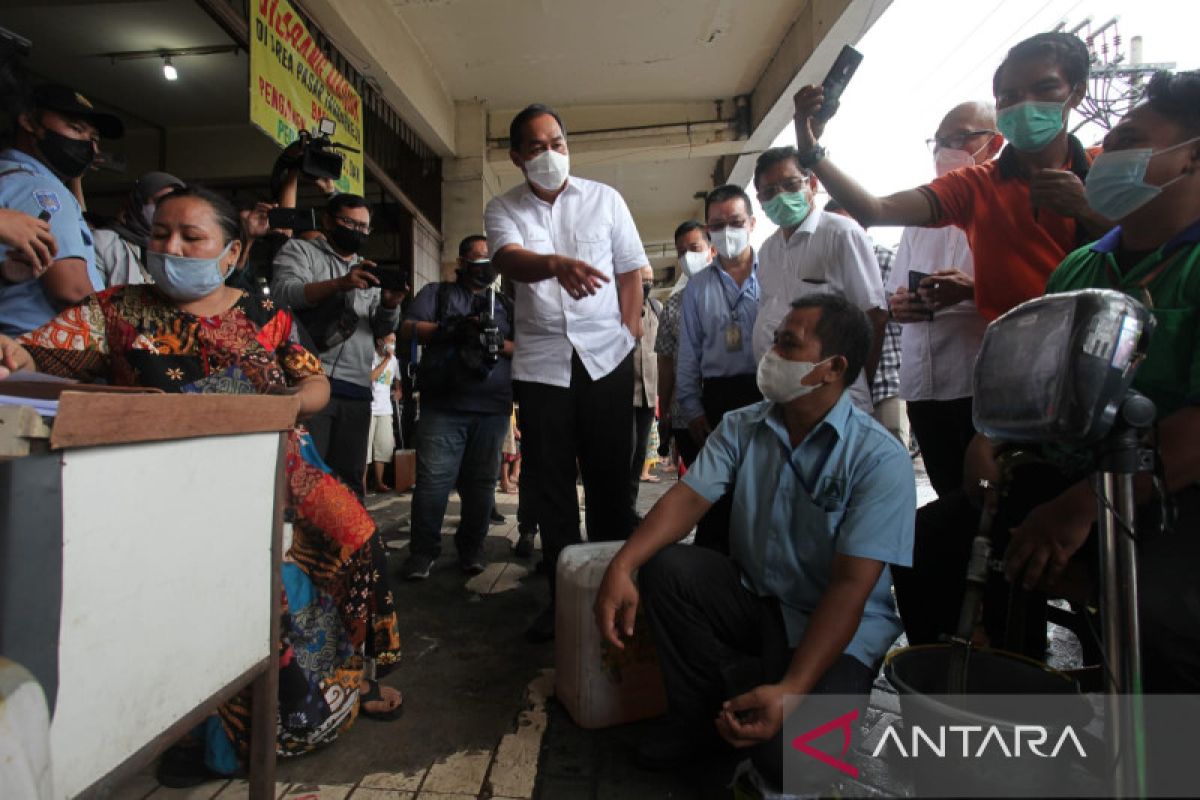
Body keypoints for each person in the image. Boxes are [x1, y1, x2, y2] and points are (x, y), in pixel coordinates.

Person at [0, 185, 403, 780]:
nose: (172, 247)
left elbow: (311, 381)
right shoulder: (114, 310)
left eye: (192, 237)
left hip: (277, 464)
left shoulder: (264, 312)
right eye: (162, 234)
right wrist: (12, 352)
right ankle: (203, 725)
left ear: (232, 251)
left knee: (356, 535)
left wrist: (286, 406)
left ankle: (351, 678)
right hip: (165, 481)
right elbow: (36, 357)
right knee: (218, 576)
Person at [594, 294, 914, 790]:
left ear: (832, 368)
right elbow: (687, 499)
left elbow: (851, 589)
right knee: (669, 569)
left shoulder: (879, 460)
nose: (772, 356)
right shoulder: (743, 425)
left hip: (837, 631)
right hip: (757, 598)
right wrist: (622, 564)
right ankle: (700, 718)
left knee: (791, 764)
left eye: (789, 345)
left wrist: (791, 691)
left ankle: (777, 686)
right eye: (776, 342)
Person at [792, 31, 1108, 324]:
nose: (1024, 103)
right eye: (1010, 96)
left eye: (1044, 89)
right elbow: (876, 209)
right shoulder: (975, 186)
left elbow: (1152, 250)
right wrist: (809, 147)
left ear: (1077, 92)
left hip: (1104, 346)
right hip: (1019, 356)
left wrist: (1087, 210)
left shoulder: (1106, 169)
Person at [485, 103, 648, 641]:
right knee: (550, 487)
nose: (550, 154)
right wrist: (554, 264)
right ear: (516, 157)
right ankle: (563, 602)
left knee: (609, 482)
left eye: (557, 143)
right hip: (541, 365)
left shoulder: (605, 199)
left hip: (606, 358)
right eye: (536, 147)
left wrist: (628, 330)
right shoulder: (503, 207)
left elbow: (630, 270)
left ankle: (617, 591)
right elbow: (508, 260)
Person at [887, 102, 1000, 496]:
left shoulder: (1007, 208)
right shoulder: (922, 213)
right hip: (924, 386)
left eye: (959, 138)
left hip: (980, 386)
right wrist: (900, 305)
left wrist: (971, 290)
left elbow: (1036, 294)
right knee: (948, 490)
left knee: (987, 491)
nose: (945, 149)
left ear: (995, 142)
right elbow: (897, 291)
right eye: (939, 141)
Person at [271, 193, 405, 495]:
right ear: (329, 221)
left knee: (349, 478)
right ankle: (299, 542)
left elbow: (381, 329)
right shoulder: (301, 251)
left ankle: (349, 541)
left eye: (363, 227)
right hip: (308, 379)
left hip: (356, 387)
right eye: (349, 223)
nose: (356, 232)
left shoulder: (367, 269)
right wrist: (340, 283)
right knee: (305, 474)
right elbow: (283, 294)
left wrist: (390, 305)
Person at [398, 235, 514, 579]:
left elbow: (523, 347)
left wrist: (494, 341)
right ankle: (422, 552)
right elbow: (406, 328)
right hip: (444, 404)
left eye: (490, 259)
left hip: (492, 407)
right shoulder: (437, 294)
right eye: (479, 259)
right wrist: (452, 330)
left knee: (481, 483)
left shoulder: (504, 303)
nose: (486, 266)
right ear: (462, 262)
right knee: (433, 481)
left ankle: (472, 549)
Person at [750, 146, 886, 413]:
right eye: (769, 192)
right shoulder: (767, 250)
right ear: (760, 200)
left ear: (811, 183)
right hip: (783, 396)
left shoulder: (841, 234)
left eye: (790, 185)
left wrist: (854, 379)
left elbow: (875, 315)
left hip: (834, 393)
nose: (780, 197)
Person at [676, 185, 763, 553]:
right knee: (719, 493)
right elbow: (687, 353)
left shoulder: (774, 271)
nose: (727, 231)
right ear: (709, 231)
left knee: (763, 488)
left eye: (735, 222)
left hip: (767, 393)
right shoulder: (696, 288)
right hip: (718, 398)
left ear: (752, 223)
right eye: (718, 224)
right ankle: (715, 573)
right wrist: (691, 408)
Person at [0, 84, 123, 335]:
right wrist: (128, 335)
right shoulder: (39, 187)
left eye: (93, 138)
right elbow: (71, 289)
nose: (88, 145)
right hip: (46, 351)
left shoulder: (8, 176)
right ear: (29, 121)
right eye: (76, 129)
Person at [823, 199, 907, 445]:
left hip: (885, 382)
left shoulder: (887, 259)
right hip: (839, 386)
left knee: (891, 455)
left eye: (850, 223)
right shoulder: (822, 268)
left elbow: (900, 318)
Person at [656, 220, 715, 469]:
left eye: (694, 248)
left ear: (712, 250)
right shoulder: (672, 305)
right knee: (697, 481)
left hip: (725, 410)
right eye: (682, 252)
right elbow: (666, 363)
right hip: (685, 416)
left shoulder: (734, 294)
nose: (688, 257)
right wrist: (665, 411)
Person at [92, 170, 184, 288]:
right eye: (161, 202)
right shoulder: (103, 242)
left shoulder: (182, 249)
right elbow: (91, 298)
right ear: (139, 202)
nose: (169, 210)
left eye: (177, 205)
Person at [630, 264, 661, 504]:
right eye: (643, 280)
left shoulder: (656, 308)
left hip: (649, 397)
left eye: (650, 280)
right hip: (624, 396)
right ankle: (618, 509)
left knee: (639, 454)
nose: (647, 285)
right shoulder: (620, 308)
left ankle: (630, 507)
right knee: (624, 454)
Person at [366, 331, 401, 493]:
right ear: (380, 341)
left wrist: (398, 389)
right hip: (369, 407)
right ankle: (362, 484)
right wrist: (386, 359)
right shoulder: (370, 356)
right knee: (365, 449)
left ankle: (379, 482)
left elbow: (397, 379)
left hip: (385, 408)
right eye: (390, 341)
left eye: (394, 341)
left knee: (383, 447)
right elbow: (371, 377)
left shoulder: (394, 361)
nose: (392, 344)